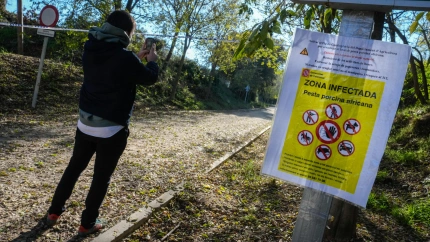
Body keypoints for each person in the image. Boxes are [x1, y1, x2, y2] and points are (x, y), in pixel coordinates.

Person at [46, 10, 159, 236]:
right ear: (127, 32)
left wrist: (136, 57)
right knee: (101, 177)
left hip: (85, 123)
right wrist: (152, 62)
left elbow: (112, 69)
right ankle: (87, 223)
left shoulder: (90, 48)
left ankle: (54, 212)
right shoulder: (124, 58)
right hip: (112, 129)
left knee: (73, 168)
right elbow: (149, 78)